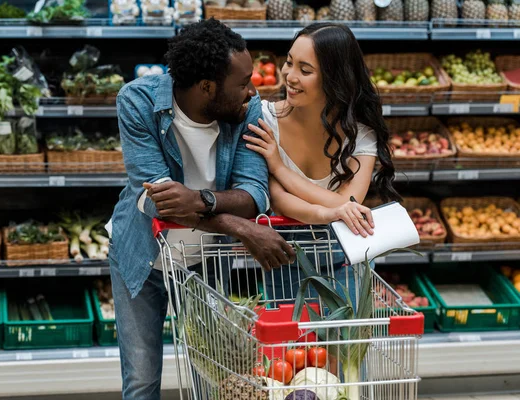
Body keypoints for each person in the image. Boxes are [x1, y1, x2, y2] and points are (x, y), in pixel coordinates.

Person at [106, 18, 295, 400]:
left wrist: (200, 200)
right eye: (242, 83)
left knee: (212, 378)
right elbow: (156, 203)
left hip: (206, 262)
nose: (252, 90)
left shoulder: (248, 110)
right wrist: (241, 228)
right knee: (142, 381)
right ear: (208, 87)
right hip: (142, 255)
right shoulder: (138, 101)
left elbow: (253, 193)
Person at [243, 23, 401, 306]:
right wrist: (332, 210)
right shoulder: (265, 120)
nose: (290, 76)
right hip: (285, 258)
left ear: (335, 78)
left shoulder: (360, 133)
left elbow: (347, 201)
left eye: (305, 70)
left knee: (345, 347)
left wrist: (279, 168)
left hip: (346, 259)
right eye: (289, 63)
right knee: (293, 348)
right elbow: (278, 200)